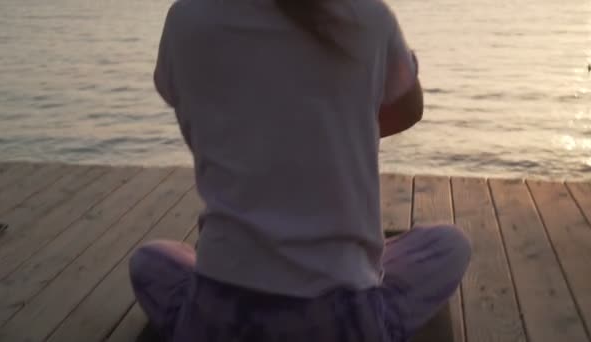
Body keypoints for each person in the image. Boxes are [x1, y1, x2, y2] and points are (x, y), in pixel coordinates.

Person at [129, 0, 471, 341]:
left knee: (148, 260)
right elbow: (409, 108)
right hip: (343, 321)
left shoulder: (187, 18)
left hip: (217, 316)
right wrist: (331, 132)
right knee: (449, 245)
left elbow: (187, 104)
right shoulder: (366, 15)